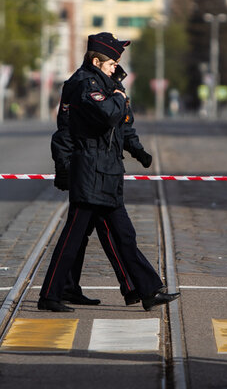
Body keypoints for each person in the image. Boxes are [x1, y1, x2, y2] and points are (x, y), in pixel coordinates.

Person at [39, 32, 180, 312]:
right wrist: (117, 94)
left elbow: (123, 124)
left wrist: (137, 150)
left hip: (108, 173)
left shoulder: (108, 85)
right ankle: (51, 294)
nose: (117, 66)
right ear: (96, 60)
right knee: (73, 238)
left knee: (122, 235)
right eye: (112, 62)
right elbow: (106, 115)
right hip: (91, 172)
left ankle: (146, 289)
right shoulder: (84, 84)